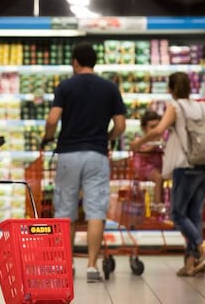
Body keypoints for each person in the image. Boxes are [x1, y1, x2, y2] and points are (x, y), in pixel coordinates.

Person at [41, 42, 126, 282]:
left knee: (65, 211)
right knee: (96, 210)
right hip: (96, 155)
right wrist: (106, 139)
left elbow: (52, 118)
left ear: (75, 62)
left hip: (68, 154)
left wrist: (48, 137)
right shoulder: (110, 87)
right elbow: (120, 125)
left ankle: (66, 265)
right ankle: (91, 267)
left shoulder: (66, 86)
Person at [130, 72, 205, 276]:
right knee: (194, 215)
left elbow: (158, 130)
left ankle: (201, 247)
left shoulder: (175, 107)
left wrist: (138, 142)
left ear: (171, 89)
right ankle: (191, 263)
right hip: (202, 164)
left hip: (184, 165)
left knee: (178, 214)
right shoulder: (200, 105)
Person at [133, 110, 163, 204]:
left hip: (158, 167)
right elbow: (144, 153)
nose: (156, 130)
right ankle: (158, 205)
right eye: (152, 127)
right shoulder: (140, 140)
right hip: (143, 166)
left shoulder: (162, 139)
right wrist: (154, 144)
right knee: (158, 178)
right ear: (144, 128)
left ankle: (165, 201)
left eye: (158, 126)